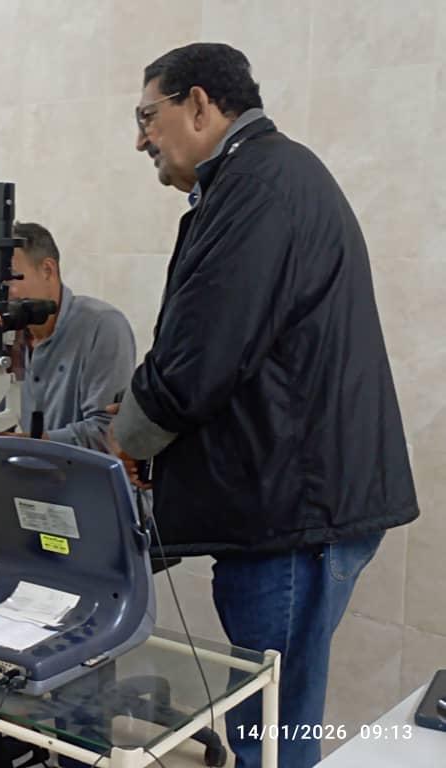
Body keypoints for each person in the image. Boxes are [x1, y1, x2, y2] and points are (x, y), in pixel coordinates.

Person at [107, 43, 419, 768]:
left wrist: (129, 438)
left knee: (269, 732)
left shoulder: (260, 186)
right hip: (295, 504)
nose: (141, 140)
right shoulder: (262, 179)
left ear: (198, 105)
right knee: (273, 718)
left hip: (295, 515)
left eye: (146, 117)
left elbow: (199, 356)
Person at [0, 222, 135, 451]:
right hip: (28, 467)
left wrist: (27, 444)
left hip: (84, 472)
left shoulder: (103, 326)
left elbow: (107, 432)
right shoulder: (10, 335)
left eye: (9, 280)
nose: (1, 296)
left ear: (48, 270)